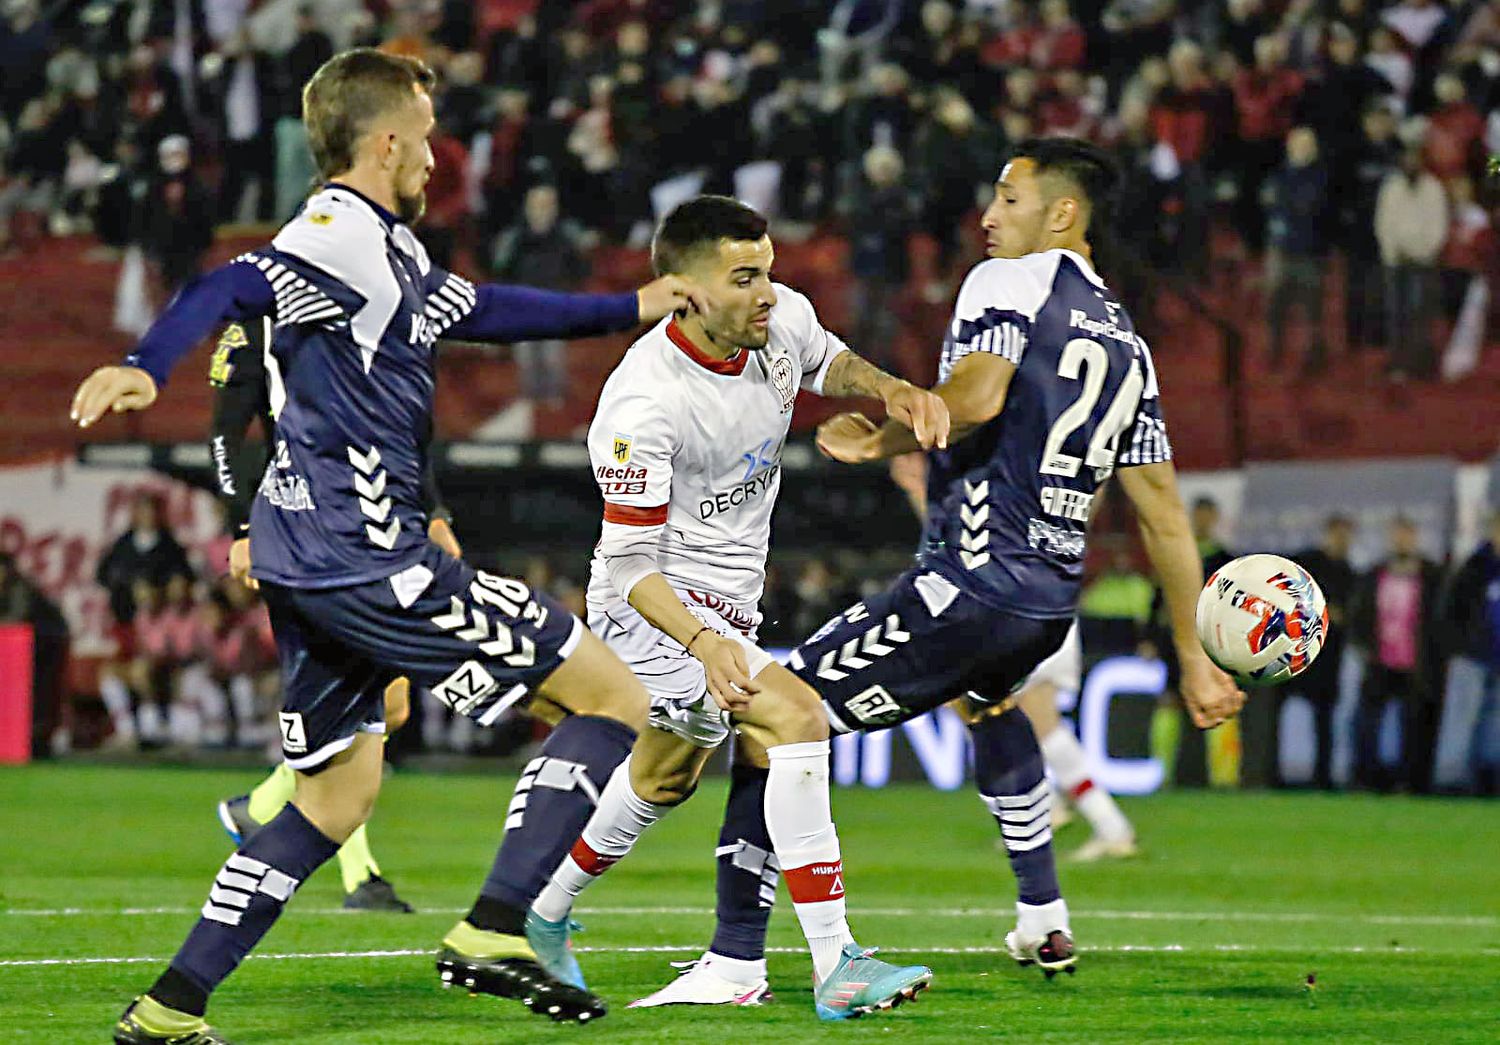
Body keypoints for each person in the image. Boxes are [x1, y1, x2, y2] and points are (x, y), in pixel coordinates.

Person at [72, 48, 711, 1041]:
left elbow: (486, 310)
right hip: (369, 554)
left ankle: (169, 1005)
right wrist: (145, 363)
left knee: (334, 796)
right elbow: (232, 283)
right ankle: (495, 926)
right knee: (614, 693)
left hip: (309, 559)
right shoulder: (333, 234)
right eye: (424, 134)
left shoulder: (394, 252)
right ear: (385, 140)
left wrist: (630, 305)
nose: (435, 154)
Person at [625, 138, 1246, 1008]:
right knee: (993, 705)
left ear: (1062, 213)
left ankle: (734, 961)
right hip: (1044, 602)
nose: (990, 218)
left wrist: (887, 427)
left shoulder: (1009, 281)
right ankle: (1042, 910)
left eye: (1010, 199)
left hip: (970, 585)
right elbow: (1164, 514)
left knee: (773, 711)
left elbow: (981, 394)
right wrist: (1194, 651)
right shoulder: (1128, 343)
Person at [507, 195, 945, 1021]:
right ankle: (837, 962)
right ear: (685, 291)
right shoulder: (642, 402)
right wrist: (705, 643)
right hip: (655, 606)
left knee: (665, 777)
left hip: (729, 601)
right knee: (797, 717)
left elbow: (831, 361)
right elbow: (632, 563)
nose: (767, 293)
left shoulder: (778, 321)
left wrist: (894, 390)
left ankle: (543, 910)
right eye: (744, 278)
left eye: (768, 271)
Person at [1350, 516, 1443, 792]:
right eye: (1397, 534)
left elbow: (1440, 620)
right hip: (1379, 661)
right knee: (1368, 723)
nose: (1401, 540)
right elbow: (1360, 614)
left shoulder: (1431, 576)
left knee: (1415, 725)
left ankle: (1412, 781)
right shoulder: (1374, 574)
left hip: (1417, 663)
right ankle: (1367, 778)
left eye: (1407, 534)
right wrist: (1363, 646)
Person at [1280, 514, 1358, 789]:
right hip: (1295, 652)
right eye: (1338, 533)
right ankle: (1271, 773)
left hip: (1329, 657)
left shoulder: (1349, 572)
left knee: (1324, 717)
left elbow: (1354, 614)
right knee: (1278, 711)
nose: (1341, 540)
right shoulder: (1308, 562)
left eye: (1346, 535)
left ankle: (1322, 776)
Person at [1441, 511, 1500, 794]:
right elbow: (1451, 610)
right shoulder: (1476, 566)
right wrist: (1460, 646)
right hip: (1472, 657)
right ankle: (1452, 780)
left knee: (1494, 724)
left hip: (1497, 658)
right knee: (1462, 718)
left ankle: (1487, 779)